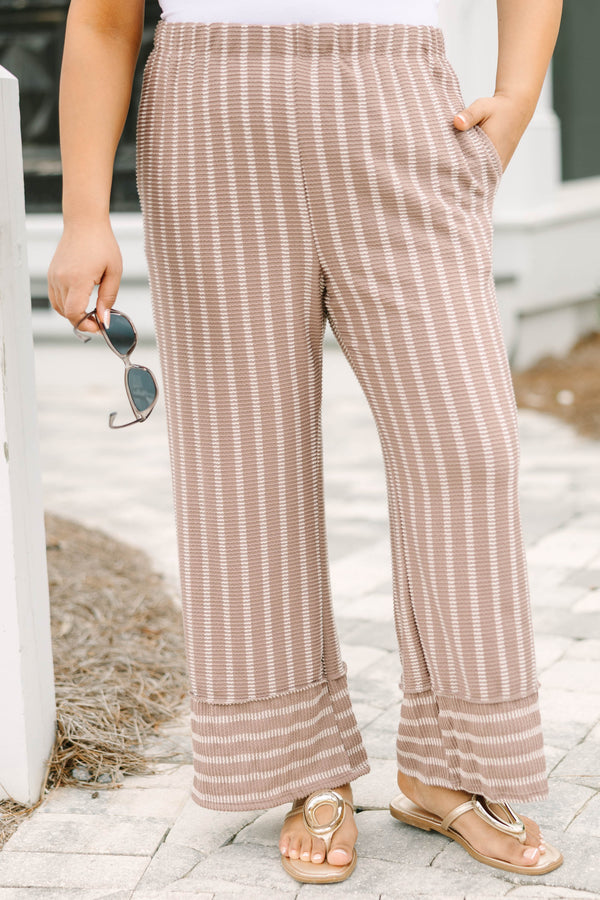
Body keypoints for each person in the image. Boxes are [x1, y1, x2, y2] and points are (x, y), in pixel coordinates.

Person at [48, 0, 564, 885]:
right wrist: (83, 213)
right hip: (212, 112)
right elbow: (101, 19)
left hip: (399, 96)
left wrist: (517, 96)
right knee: (243, 459)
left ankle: (450, 766)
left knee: (466, 444)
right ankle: (302, 766)